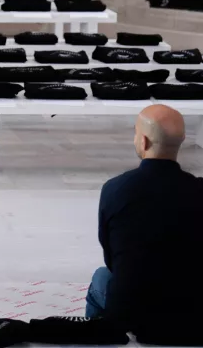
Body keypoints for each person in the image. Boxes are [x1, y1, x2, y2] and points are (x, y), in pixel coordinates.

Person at [86, 105, 203, 337]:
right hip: (193, 318)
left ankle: (99, 336)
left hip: (134, 315)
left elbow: (112, 258)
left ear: (144, 142)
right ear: (181, 141)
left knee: (102, 276)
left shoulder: (115, 189)